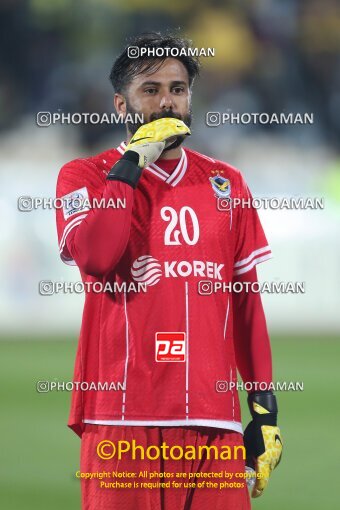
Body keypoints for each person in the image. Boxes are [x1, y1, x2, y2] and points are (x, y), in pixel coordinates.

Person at [56, 32, 282, 510]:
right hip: (121, 419)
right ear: (121, 105)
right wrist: (134, 161)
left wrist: (264, 409)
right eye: (151, 90)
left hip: (213, 423)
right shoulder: (85, 175)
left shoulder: (227, 183)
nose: (167, 103)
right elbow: (96, 256)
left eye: (178, 90)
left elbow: (245, 304)